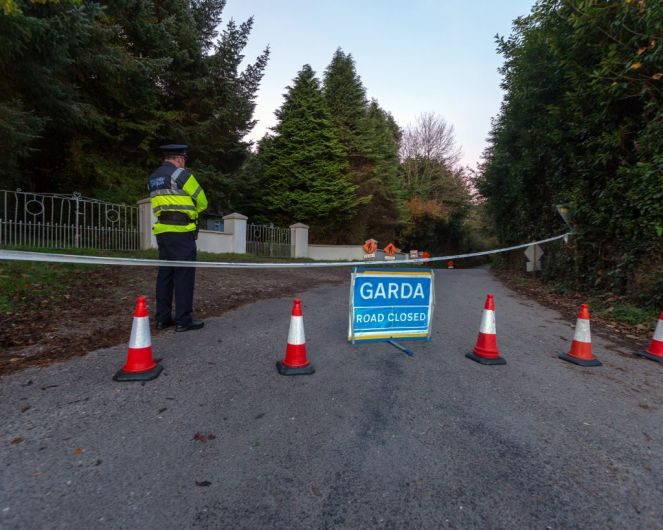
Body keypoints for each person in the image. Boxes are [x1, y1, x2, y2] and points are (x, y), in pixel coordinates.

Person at [148, 144, 208, 332]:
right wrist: (192, 212)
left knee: (165, 275)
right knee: (184, 274)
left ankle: (162, 319)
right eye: (184, 160)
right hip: (181, 231)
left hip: (162, 231)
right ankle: (183, 320)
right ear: (179, 159)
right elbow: (202, 202)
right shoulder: (181, 175)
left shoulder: (153, 178)